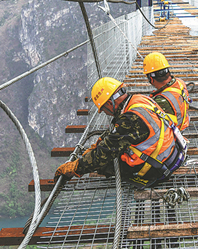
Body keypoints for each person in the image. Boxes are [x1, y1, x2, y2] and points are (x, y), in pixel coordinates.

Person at [54, 77, 187, 188]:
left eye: (103, 109)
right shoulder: (139, 99)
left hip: (156, 168)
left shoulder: (129, 120)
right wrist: (99, 143)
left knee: (104, 163)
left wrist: (75, 167)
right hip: (172, 153)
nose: (105, 113)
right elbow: (118, 133)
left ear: (109, 103)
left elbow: (103, 154)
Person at [143, 52, 191, 130]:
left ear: (151, 79)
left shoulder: (161, 100)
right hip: (184, 122)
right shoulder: (179, 82)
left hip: (175, 132)